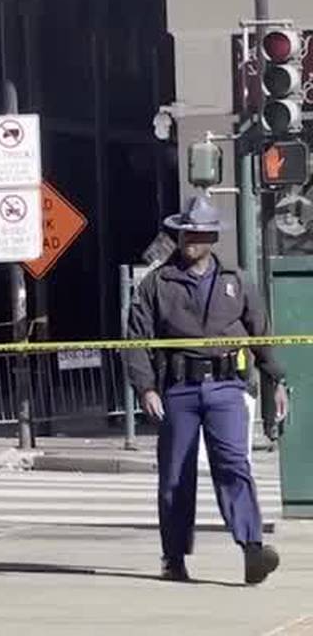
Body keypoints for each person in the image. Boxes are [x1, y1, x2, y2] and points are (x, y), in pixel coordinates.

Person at [124, 196, 288, 584]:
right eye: (184, 232)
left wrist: (275, 380)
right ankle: (174, 557)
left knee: (233, 465)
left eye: (196, 233)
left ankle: (252, 549)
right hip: (178, 390)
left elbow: (261, 334)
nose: (188, 239)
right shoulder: (158, 282)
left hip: (227, 386)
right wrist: (145, 388)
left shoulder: (236, 279)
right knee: (176, 475)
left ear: (212, 236)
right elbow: (135, 340)